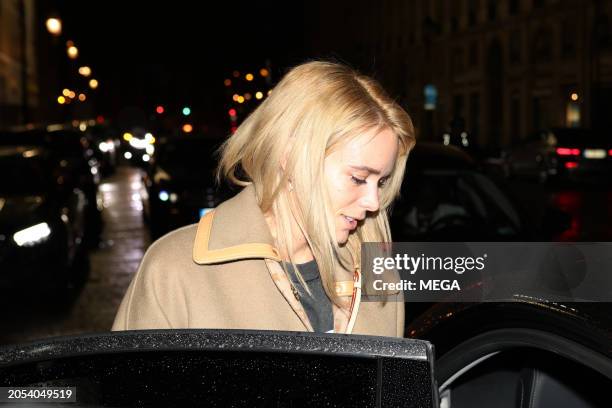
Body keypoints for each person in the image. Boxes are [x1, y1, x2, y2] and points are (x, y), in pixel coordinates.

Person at [112, 61, 416, 336]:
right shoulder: (174, 271)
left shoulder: (378, 279)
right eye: (358, 178)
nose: (374, 202)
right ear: (291, 154)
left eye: (381, 182)